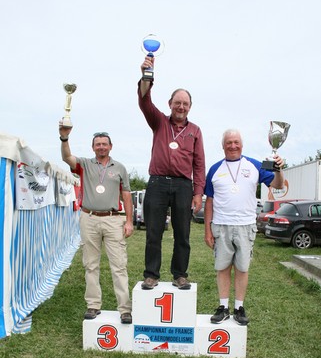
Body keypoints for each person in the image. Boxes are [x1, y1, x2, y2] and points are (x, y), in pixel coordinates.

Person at [138, 55, 206, 290]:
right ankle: (151, 275)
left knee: (183, 234)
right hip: (157, 183)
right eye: (177, 103)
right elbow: (145, 103)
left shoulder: (195, 131)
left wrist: (198, 193)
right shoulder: (159, 122)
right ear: (169, 104)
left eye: (185, 104)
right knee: (154, 231)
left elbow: (199, 164)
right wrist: (147, 76)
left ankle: (180, 274)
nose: (181, 107)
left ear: (190, 107)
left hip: (183, 185)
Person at [204, 129, 285, 325]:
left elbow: (278, 184)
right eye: (229, 142)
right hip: (221, 225)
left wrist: (279, 169)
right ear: (223, 146)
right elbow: (209, 201)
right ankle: (223, 307)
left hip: (245, 226)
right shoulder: (215, 169)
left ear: (242, 144)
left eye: (236, 142)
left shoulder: (255, 165)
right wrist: (207, 229)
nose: (233, 145)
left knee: (242, 268)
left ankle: (239, 308)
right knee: (222, 268)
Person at [59, 126, 133, 324]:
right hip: (89, 218)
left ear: (110, 146)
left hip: (113, 219)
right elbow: (67, 158)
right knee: (90, 264)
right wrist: (64, 137)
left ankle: (125, 308)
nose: (101, 147)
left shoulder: (120, 168)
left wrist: (129, 221)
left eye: (104, 144)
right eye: (97, 144)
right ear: (93, 147)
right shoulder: (84, 164)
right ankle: (93, 305)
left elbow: (126, 195)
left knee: (119, 265)